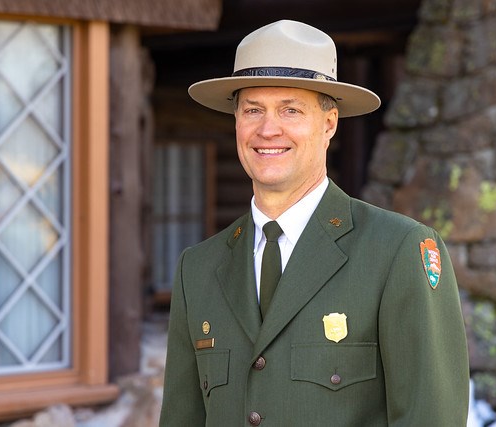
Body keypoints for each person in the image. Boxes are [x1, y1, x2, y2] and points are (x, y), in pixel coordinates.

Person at [160, 19, 469, 426]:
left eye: (290, 109)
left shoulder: (397, 250)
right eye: (253, 110)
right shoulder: (197, 268)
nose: (268, 129)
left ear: (329, 123)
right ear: (236, 121)